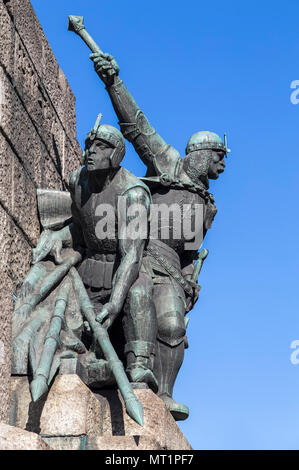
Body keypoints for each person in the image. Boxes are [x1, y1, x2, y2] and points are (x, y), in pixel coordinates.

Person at [90, 52, 229, 420]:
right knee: (145, 315)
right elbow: (136, 125)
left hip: (172, 267)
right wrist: (112, 80)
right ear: (202, 152)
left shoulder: (208, 204)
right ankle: (134, 376)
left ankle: (164, 396)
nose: (224, 163)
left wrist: (187, 280)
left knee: (173, 326)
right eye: (219, 155)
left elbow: (188, 251)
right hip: (144, 254)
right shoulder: (169, 162)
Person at [32, 115, 158, 391]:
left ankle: (139, 364)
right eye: (90, 145)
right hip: (89, 266)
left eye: (100, 147)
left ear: (115, 154)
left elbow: (132, 254)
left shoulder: (133, 192)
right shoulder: (78, 180)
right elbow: (80, 227)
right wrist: (58, 235)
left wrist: (114, 302)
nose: (91, 152)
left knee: (137, 295)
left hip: (124, 269)